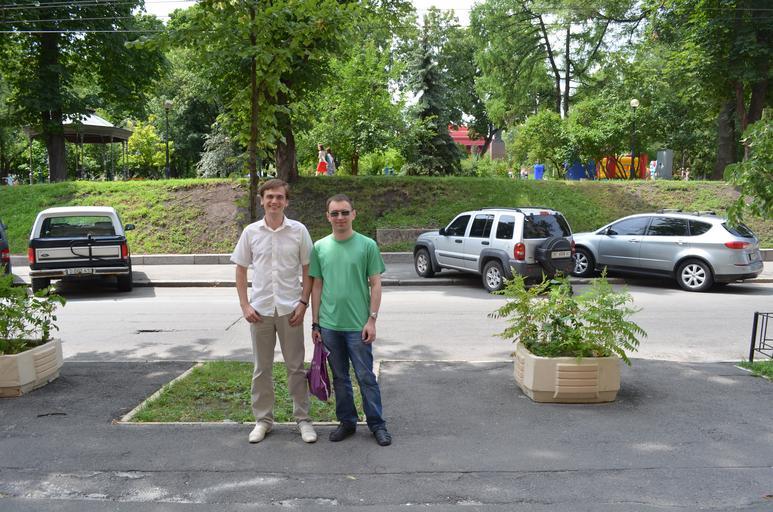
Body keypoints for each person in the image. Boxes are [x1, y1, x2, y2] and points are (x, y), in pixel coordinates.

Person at [230, 178, 317, 444]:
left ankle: (303, 419)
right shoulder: (251, 232)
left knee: (295, 368)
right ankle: (263, 421)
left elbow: (308, 269)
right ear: (262, 200)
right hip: (261, 311)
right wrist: (245, 305)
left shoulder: (299, 231)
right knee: (261, 369)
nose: (274, 201)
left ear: (286, 201)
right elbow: (240, 269)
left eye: (279, 197)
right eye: (269, 197)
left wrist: (303, 303)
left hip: (291, 311)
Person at [309, 194, 392, 447]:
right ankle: (347, 422)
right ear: (328, 217)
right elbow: (317, 286)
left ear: (353, 214)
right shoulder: (320, 247)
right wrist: (315, 323)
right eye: (335, 213)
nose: (340, 217)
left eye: (345, 212)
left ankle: (377, 424)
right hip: (329, 326)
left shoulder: (367, 245)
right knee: (340, 377)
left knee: (365, 376)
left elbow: (376, 284)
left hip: (358, 326)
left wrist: (372, 320)